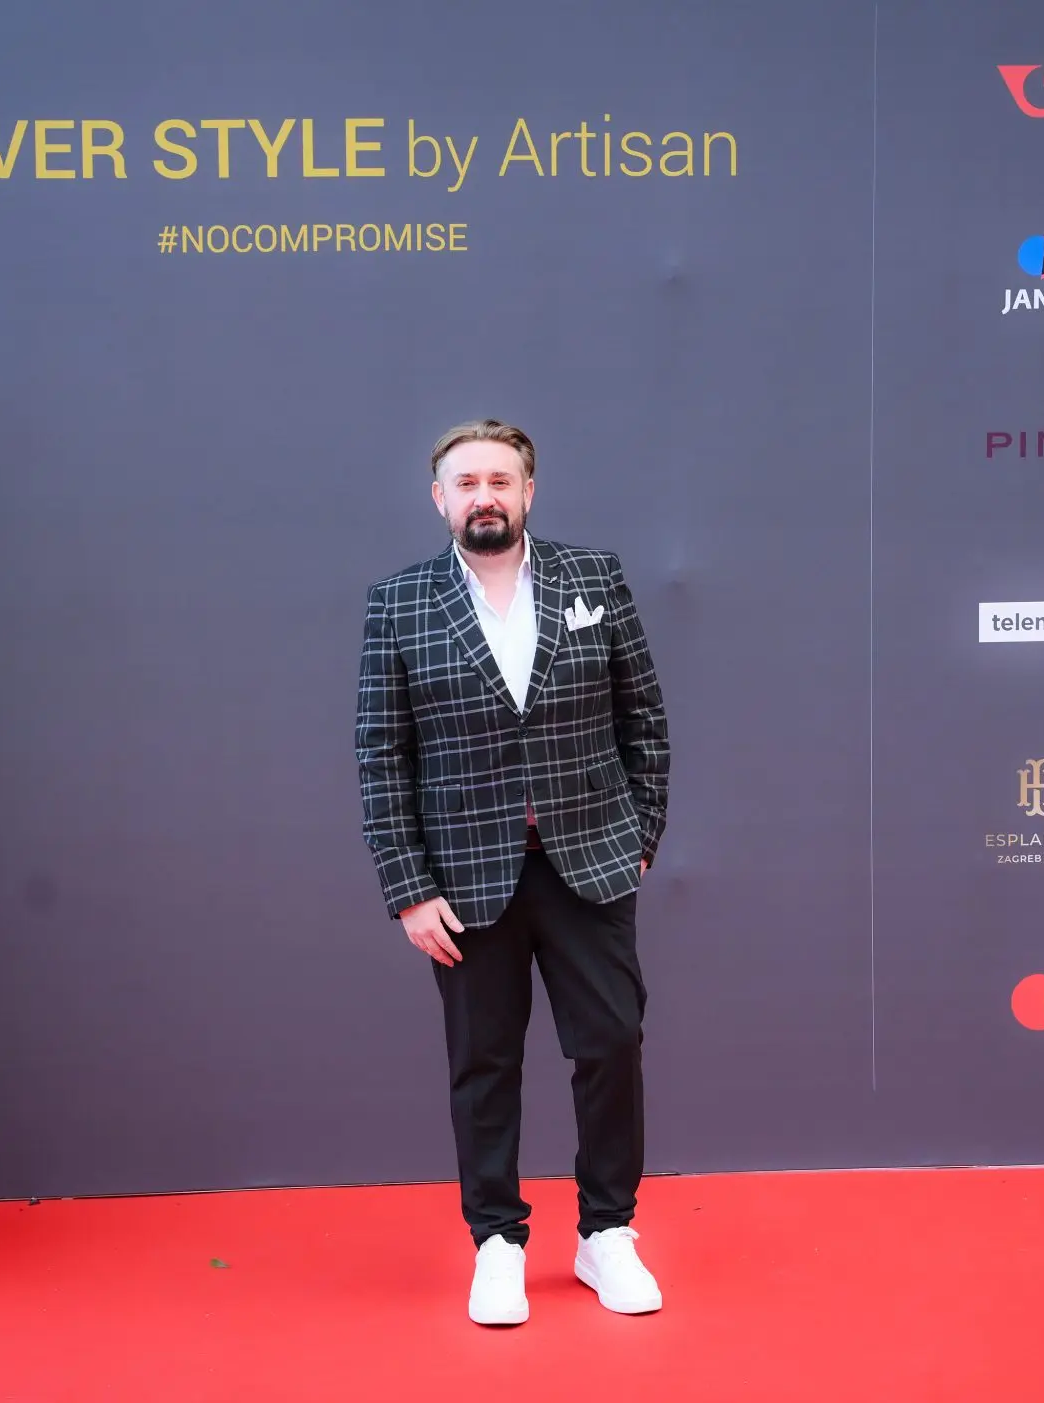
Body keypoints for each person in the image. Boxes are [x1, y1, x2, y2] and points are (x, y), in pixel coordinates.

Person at [356, 419, 671, 1327]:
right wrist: (409, 889)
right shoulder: (399, 602)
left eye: (501, 479)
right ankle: (497, 1240)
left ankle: (607, 1231)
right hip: (463, 881)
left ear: (529, 491)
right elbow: (382, 756)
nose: (484, 495)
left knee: (610, 1044)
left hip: (591, 863)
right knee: (483, 1063)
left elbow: (644, 718)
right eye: (467, 483)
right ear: (440, 499)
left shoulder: (594, 578)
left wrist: (640, 834)